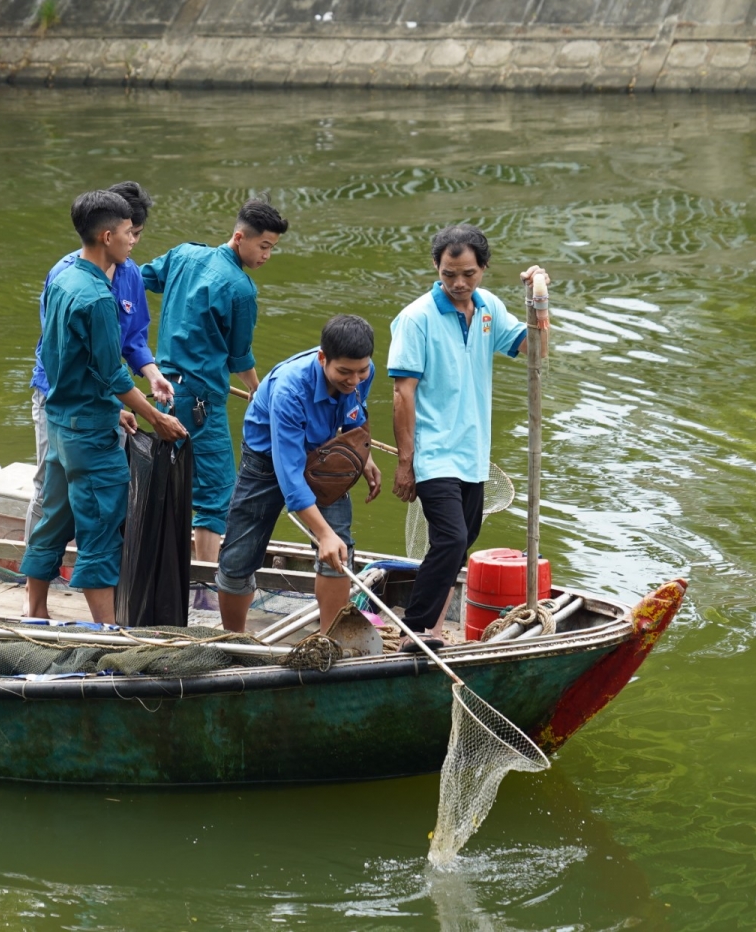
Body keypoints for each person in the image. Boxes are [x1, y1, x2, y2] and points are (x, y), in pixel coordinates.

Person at [24, 190, 188, 624]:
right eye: (129, 233)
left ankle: (35, 611)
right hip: (90, 434)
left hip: (60, 420)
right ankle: (108, 630)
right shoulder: (97, 298)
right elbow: (112, 375)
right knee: (101, 526)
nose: (134, 241)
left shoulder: (63, 279)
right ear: (106, 234)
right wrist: (156, 416)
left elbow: (69, 362)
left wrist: (123, 399)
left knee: (54, 519)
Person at [387, 226, 546, 646]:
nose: (459, 284)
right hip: (433, 452)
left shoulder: (488, 308)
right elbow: (402, 393)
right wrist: (406, 463)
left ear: (484, 270)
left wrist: (539, 302)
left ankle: (432, 629)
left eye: (469, 274)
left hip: (474, 452)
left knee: (459, 544)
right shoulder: (416, 318)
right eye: (449, 274)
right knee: (452, 539)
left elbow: (535, 348)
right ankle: (415, 629)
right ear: (436, 268)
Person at [142, 198, 287, 563]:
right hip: (200, 400)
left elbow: (141, 278)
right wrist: (258, 391)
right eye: (264, 246)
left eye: (272, 248)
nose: (267, 255)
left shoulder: (184, 254)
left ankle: (164, 564)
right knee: (215, 491)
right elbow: (239, 356)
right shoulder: (240, 288)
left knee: (170, 483)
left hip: (162, 389)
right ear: (239, 237)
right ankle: (206, 582)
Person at [215, 316, 381, 634]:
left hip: (323, 452)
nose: (354, 379)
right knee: (239, 556)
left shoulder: (362, 374)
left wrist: (364, 453)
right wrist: (323, 534)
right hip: (264, 460)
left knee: (339, 550)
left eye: (361, 370)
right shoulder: (289, 389)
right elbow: (290, 477)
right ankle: (235, 640)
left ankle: (328, 640)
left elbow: (354, 416)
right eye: (344, 372)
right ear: (322, 358)